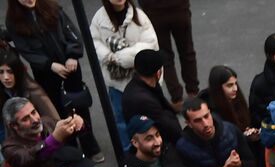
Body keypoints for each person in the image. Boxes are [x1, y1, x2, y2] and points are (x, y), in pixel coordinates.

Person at [5, 0, 98, 157]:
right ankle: (71, 148)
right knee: (58, 110)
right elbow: (26, 50)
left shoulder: (53, 7)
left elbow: (71, 32)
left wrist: (73, 55)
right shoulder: (13, 21)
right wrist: (50, 65)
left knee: (80, 106)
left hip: (70, 67)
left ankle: (90, 145)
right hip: (46, 73)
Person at [89, 0, 156, 153]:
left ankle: (151, 149)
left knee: (147, 116)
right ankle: (129, 152)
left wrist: (121, 57)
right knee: (121, 119)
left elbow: (149, 44)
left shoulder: (139, 16)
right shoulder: (99, 18)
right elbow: (95, 42)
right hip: (116, 82)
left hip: (140, 79)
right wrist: (109, 57)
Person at [1, 96, 86, 167]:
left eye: (33, 112)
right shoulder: (10, 148)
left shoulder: (47, 122)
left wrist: (78, 124)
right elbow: (29, 158)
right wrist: (54, 139)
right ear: (14, 126)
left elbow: (72, 133)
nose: (35, 120)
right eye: (25, 119)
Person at [122, 48, 180, 145]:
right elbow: (168, 127)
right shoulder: (144, 100)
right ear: (158, 73)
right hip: (156, 146)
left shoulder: (143, 85)